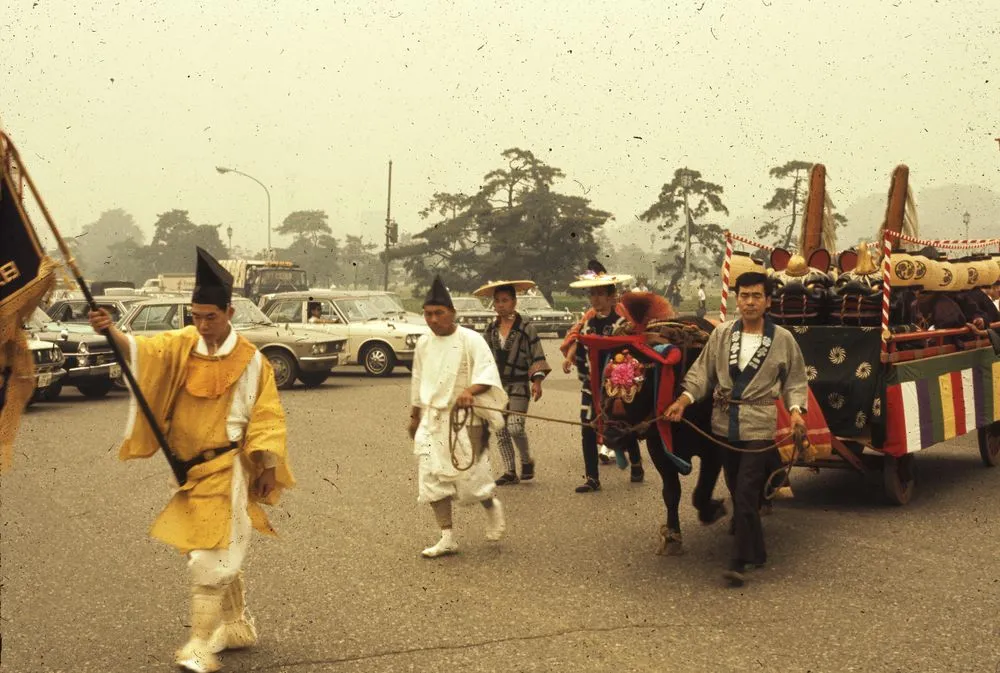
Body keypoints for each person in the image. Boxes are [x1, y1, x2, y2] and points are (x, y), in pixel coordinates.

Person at [88, 247, 294, 673]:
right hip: (187, 470)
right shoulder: (183, 344)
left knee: (208, 557)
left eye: (211, 317)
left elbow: (267, 416)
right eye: (195, 316)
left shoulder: (252, 361)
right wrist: (112, 332)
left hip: (229, 469)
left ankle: (201, 646)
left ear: (230, 311)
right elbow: (143, 353)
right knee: (210, 551)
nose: (202, 326)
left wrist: (268, 466)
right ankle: (236, 626)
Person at [665, 271, 807, 587]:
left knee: (744, 494)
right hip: (723, 426)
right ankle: (757, 553)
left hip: (758, 425)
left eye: (757, 296)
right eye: (744, 295)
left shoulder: (783, 339)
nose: (750, 302)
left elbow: (796, 381)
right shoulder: (722, 334)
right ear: (736, 299)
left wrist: (796, 412)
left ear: (768, 301)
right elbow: (702, 374)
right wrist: (684, 400)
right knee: (736, 486)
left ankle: (737, 561)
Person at [408, 275, 509, 558]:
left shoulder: (470, 339)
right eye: (428, 314)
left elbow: (488, 373)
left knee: (471, 480)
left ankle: (491, 506)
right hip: (432, 419)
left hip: (464, 420)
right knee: (430, 479)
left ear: (452, 313)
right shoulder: (424, 343)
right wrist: (415, 415)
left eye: (438, 313)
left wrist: (470, 390)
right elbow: (418, 379)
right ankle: (447, 537)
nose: (432, 319)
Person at [564, 261, 644, 493]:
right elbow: (581, 350)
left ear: (612, 298)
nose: (596, 299)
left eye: (601, 294)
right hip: (591, 388)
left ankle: (636, 463)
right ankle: (592, 477)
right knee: (587, 429)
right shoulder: (587, 326)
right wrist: (573, 362)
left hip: (614, 389)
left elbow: (631, 356)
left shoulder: (622, 326)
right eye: (592, 294)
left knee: (620, 426)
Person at [475, 280, 551, 486]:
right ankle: (510, 471)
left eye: (505, 300)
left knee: (515, 427)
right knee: (500, 428)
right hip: (497, 386)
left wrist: (537, 381)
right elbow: (483, 359)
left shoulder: (527, 328)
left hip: (518, 385)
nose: (501, 305)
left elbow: (537, 355)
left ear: (514, 302)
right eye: (497, 301)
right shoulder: (490, 330)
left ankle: (527, 460)